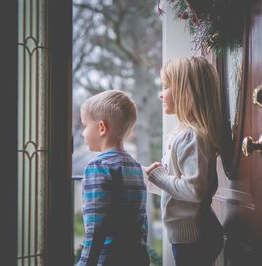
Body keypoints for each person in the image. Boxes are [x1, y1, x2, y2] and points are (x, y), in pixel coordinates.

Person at [145, 57, 224, 266]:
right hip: (190, 236)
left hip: (195, 237)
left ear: (185, 92)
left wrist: (160, 177)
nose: (161, 94)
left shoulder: (192, 136)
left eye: (167, 86)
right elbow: (175, 188)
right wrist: (147, 178)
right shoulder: (182, 134)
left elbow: (193, 190)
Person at [77, 90, 150, 266]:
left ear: (101, 128)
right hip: (137, 257)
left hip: (109, 259)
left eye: (85, 125)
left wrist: (85, 263)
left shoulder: (97, 167)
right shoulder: (135, 167)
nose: (82, 133)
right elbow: (143, 220)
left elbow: (96, 227)